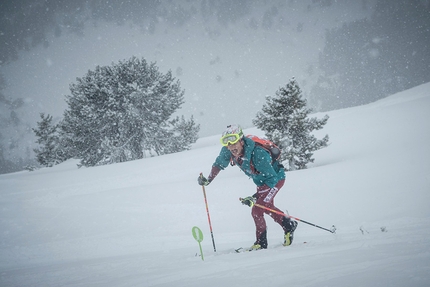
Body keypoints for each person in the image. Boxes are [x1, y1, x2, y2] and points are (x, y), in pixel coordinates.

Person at [198, 124, 297, 250]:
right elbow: (219, 164)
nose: (231, 147)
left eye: (233, 141)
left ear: (241, 140)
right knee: (266, 207)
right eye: (227, 143)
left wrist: (255, 197)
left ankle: (261, 243)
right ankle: (288, 225)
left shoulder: (258, 153)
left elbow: (272, 178)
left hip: (275, 179)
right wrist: (208, 180)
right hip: (261, 182)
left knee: (257, 210)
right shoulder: (228, 150)